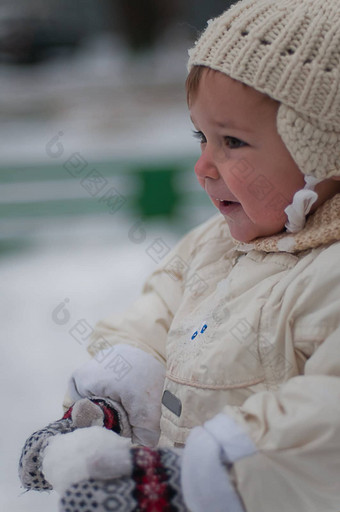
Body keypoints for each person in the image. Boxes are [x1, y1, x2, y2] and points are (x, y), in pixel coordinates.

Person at [19, 0, 340, 511]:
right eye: (201, 136)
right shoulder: (215, 245)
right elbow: (157, 318)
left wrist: (202, 480)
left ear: (325, 152)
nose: (203, 166)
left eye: (232, 141)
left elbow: (327, 424)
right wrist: (110, 405)